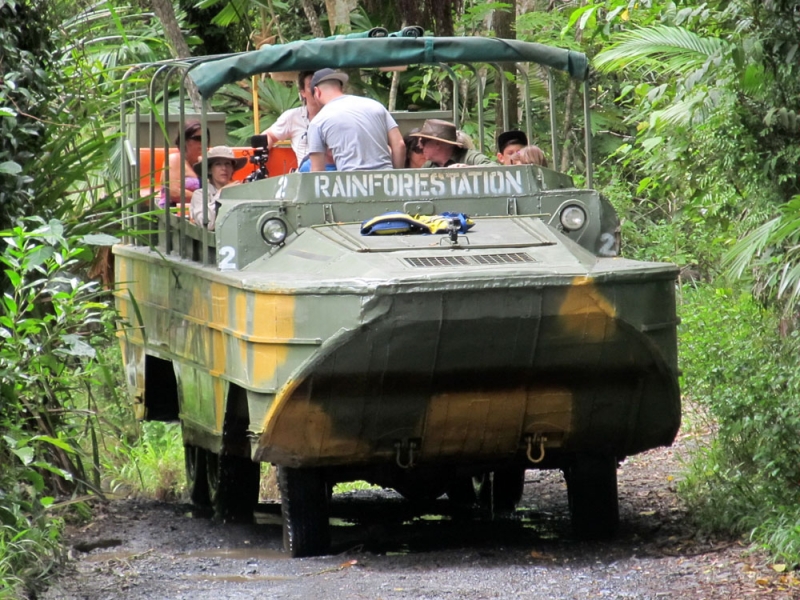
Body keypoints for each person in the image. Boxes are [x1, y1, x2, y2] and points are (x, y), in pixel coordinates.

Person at [306, 68, 405, 171]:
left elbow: (317, 173)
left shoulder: (318, 122)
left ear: (317, 92)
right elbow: (399, 144)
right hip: (385, 180)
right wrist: (394, 175)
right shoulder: (376, 106)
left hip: (351, 183)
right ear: (341, 88)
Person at [262, 71, 321, 165]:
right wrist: (263, 154)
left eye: (318, 85)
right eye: (311, 85)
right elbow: (268, 135)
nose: (316, 89)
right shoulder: (293, 116)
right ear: (303, 93)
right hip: (304, 174)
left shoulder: (336, 115)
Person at [190, 146, 246, 231]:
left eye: (228, 164)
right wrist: (222, 193)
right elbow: (207, 224)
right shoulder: (200, 194)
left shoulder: (239, 192)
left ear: (232, 169)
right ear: (209, 170)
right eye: (218, 164)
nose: (224, 168)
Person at [411, 119, 493, 168]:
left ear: (438, 143)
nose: (420, 146)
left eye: (423, 141)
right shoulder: (429, 166)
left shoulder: (469, 157)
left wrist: (469, 169)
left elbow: (496, 168)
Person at [159, 121, 204, 208]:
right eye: (197, 138)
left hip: (199, 211)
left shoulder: (205, 162)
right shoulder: (174, 159)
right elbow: (173, 192)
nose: (202, 142)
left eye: (206, 138)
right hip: (174, 210)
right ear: (185, 141)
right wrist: (205, 199)